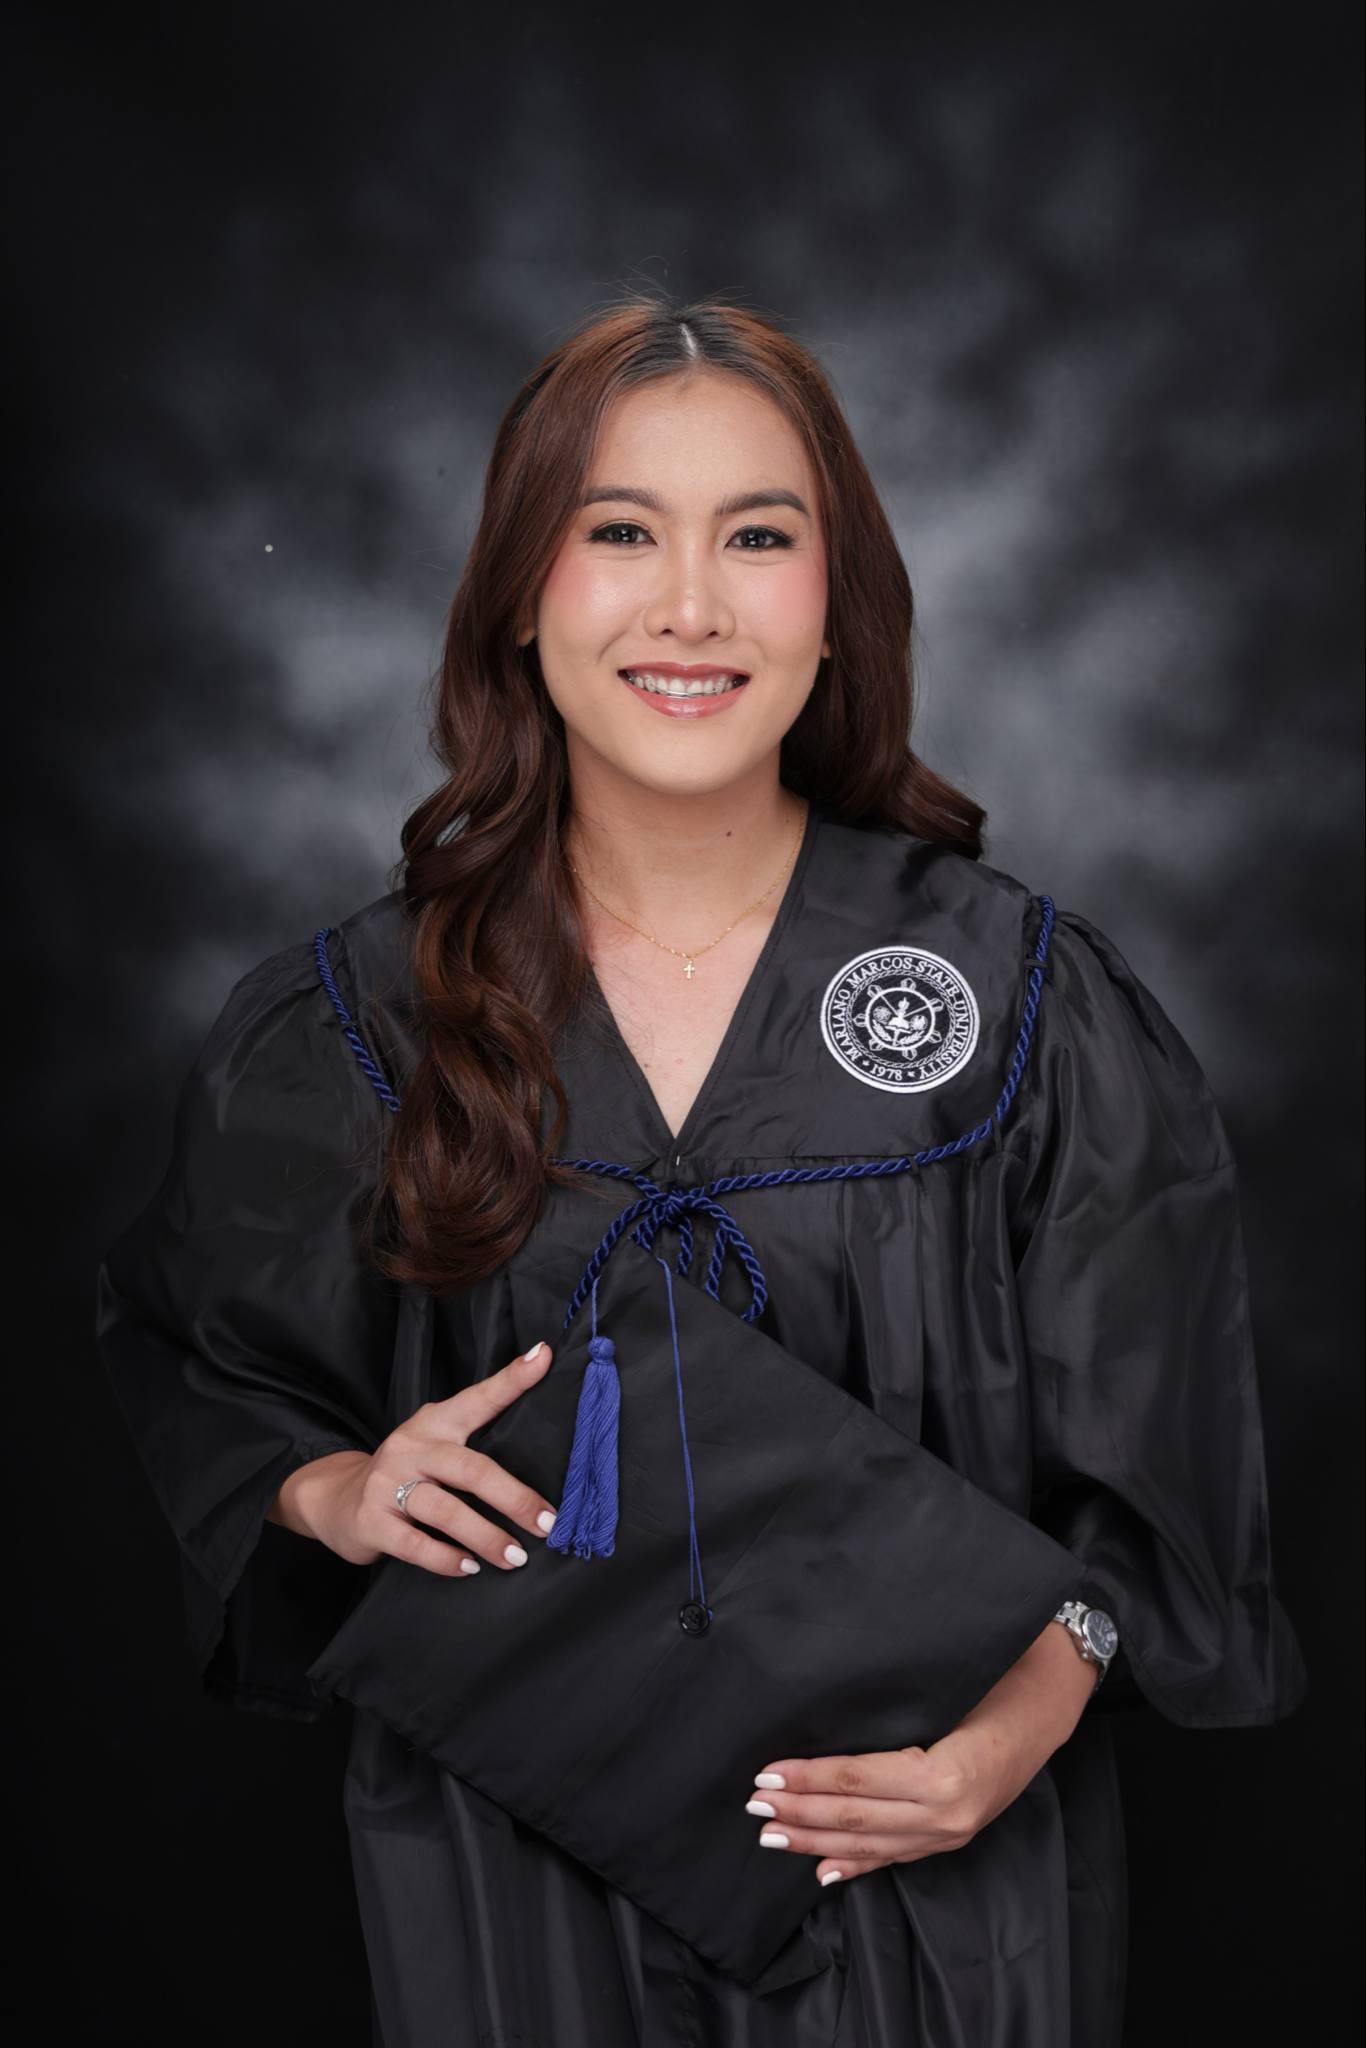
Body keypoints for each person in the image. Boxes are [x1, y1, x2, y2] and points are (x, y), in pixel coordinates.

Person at [95, 295, 1309, 2047]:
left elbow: (1154, 1489)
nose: (689, 605)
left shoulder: (1020, 1002)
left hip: (937, 1869)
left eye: (757, 535)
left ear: (837, 600)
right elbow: (202, 1358)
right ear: (520, 594)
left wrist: (1008, 1741)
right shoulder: (360, 1020)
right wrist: (335, 1493)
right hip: (511, 1851)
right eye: (617, 533)